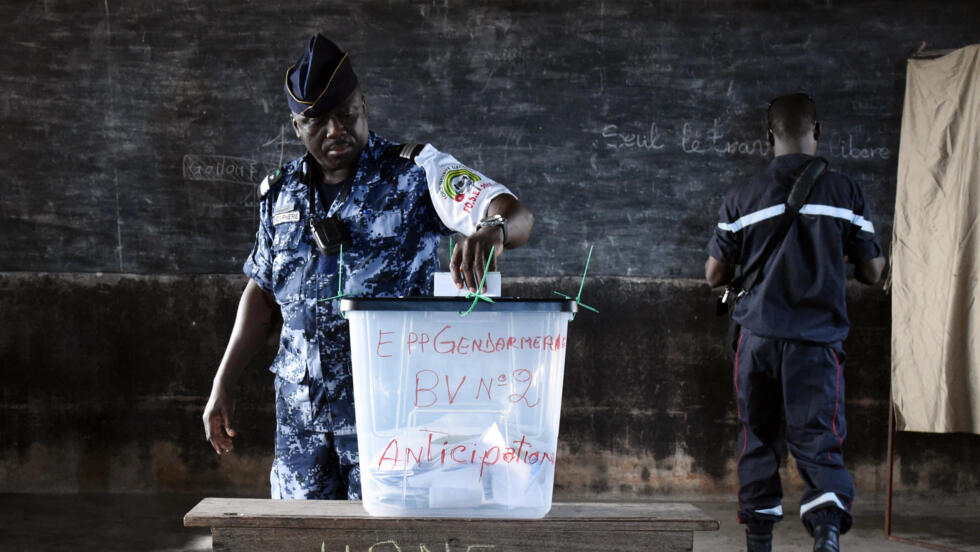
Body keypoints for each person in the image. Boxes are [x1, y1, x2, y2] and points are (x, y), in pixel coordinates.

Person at [202, 34, 533, 500]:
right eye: (317, 121)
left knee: (392, 535)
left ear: (364, 104)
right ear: (296, 126)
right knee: (300, 536)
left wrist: (491, 230)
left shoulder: (416, 173)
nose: (335, 130)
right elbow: (263, 294)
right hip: (303, 428)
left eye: (346, 114)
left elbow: (514, 213)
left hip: (394, 423)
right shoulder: (279, 194)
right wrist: (224, 381)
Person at [705, 93, 885, 552]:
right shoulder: (846, 193)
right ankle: (826, 534)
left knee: (758, 438)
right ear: (817, 131)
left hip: (757, 342)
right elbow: (871, 272)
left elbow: (714, 275)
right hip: (816, 344)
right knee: (819, 440)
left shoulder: (742, 196)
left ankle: (759, 541)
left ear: (769, 137)